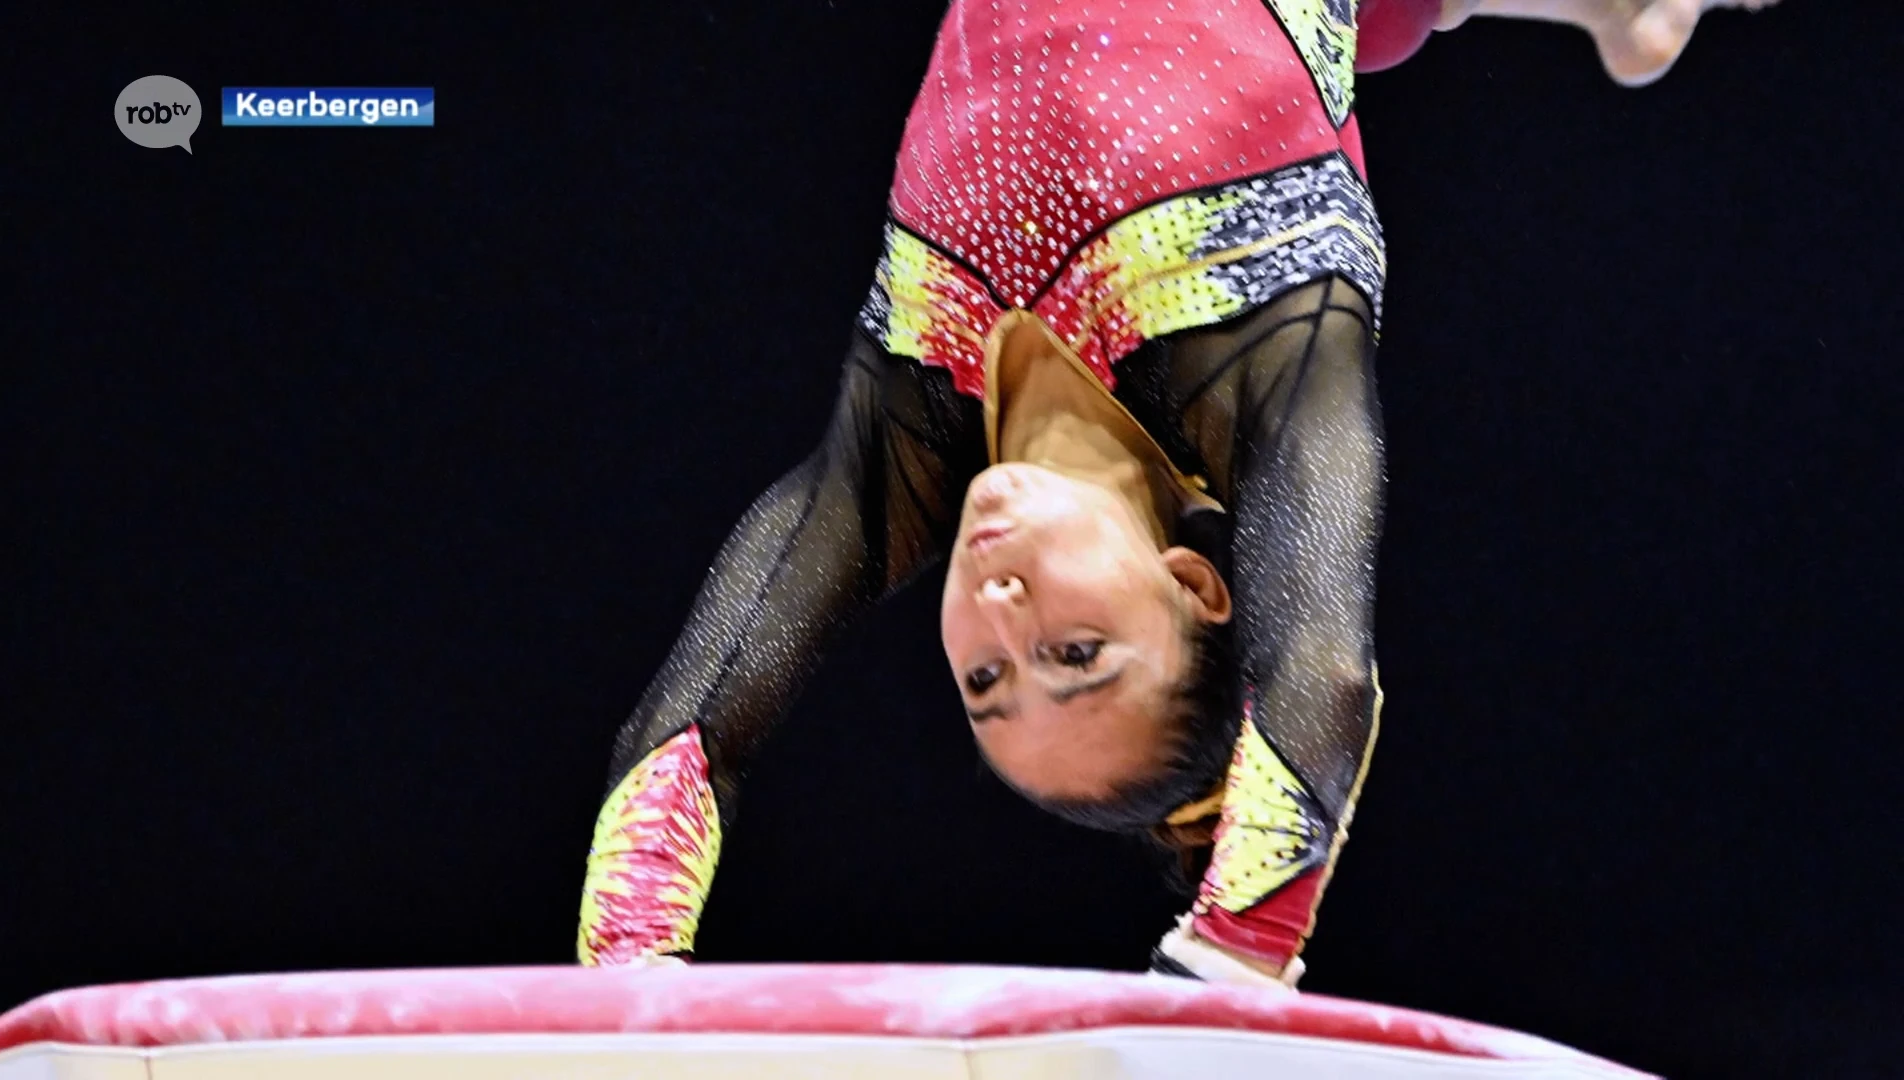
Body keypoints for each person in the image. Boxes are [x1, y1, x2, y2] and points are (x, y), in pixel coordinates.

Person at [576, 0, 1774, 987]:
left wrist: (628, 980)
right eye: (1076, 650)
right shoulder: (1256, 358)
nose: (999, 614)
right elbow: (1324, 672)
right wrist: (1228, 969)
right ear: (1196, 583)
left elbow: (693, 729)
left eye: (988, 681)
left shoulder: (910, 442)